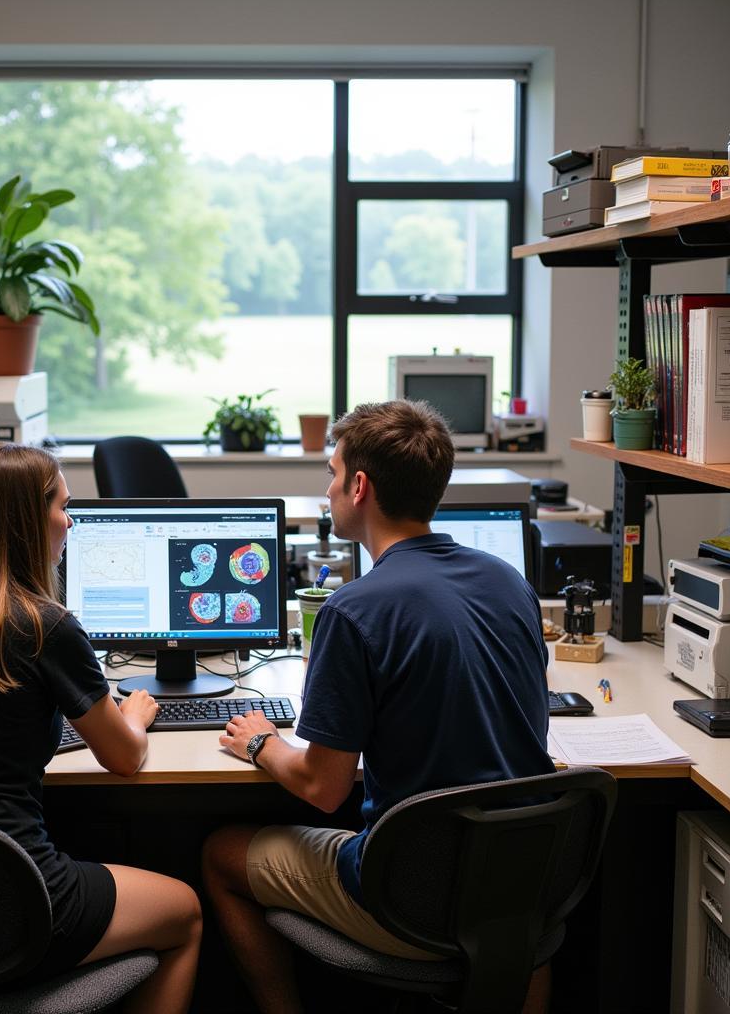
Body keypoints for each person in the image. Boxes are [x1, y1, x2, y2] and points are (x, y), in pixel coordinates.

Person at [201, 400, 555, 1014]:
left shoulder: (355, 610)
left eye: (333, 474)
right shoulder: (509, 581)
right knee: (515, 920)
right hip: (524, 886)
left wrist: (261, 742)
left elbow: (323, 789)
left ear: (360, 487)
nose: (329, 489)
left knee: (221, 853)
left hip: (412, 894)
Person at [0, 442, 201, 1012]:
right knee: (187, 912)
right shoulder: (44, 625)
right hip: (11, 906)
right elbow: (122, 758)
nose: (70, 520)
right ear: (29, 519)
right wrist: (135, 715)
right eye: (63, 506)